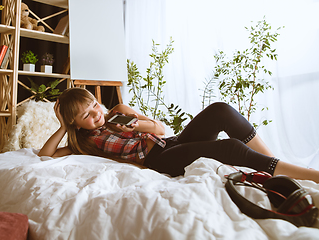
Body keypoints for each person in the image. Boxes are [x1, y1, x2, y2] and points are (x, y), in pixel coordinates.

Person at [39, 88, 319, 183]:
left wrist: (135, 126)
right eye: (86, 116)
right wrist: (63, 127)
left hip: (169, 142)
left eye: (94, 107)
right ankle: (302, 174)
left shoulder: (119, 111)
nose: (96, 114)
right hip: (157, 160)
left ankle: (273, 164)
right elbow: (45, 155)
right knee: (229, 147)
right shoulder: (84, 144)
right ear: (75, 124)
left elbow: (160, 129)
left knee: (220, 110)